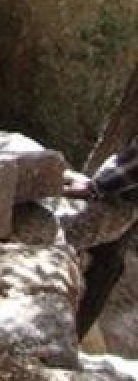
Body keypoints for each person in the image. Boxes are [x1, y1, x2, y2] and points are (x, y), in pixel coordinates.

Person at [64, 136, 138, 337]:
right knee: (104, 265)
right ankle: (71, 335)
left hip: (119, 202)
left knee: (97, 261)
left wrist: (94, 188)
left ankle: (65, 335)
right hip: (119, 198)